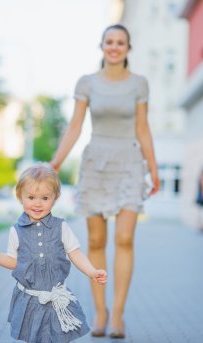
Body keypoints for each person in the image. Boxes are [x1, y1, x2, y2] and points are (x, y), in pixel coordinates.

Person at [50, 24, 160, 338]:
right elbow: (74, 126)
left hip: (129, 162)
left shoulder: (139, 84)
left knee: (124, 239)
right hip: (96, 163)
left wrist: (153, 169)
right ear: (102, 46)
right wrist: (55, 162)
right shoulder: (87, 83)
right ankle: (101, 311)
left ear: (128, 48)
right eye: (109, 42)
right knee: (96, 242)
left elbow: (143, 128)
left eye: (120, 42)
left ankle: (119, 316)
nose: (114, 47)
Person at [0, 163, 107, 343]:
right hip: (30, 300)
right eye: (31, 197)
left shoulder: (61, 227)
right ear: (20, 197)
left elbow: (75, 253)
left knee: (59, 338)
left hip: (55, 299)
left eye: (44, 198)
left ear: (55, 198)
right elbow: (13, 262)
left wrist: (91, 271)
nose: (37, 203)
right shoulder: (17, 231)